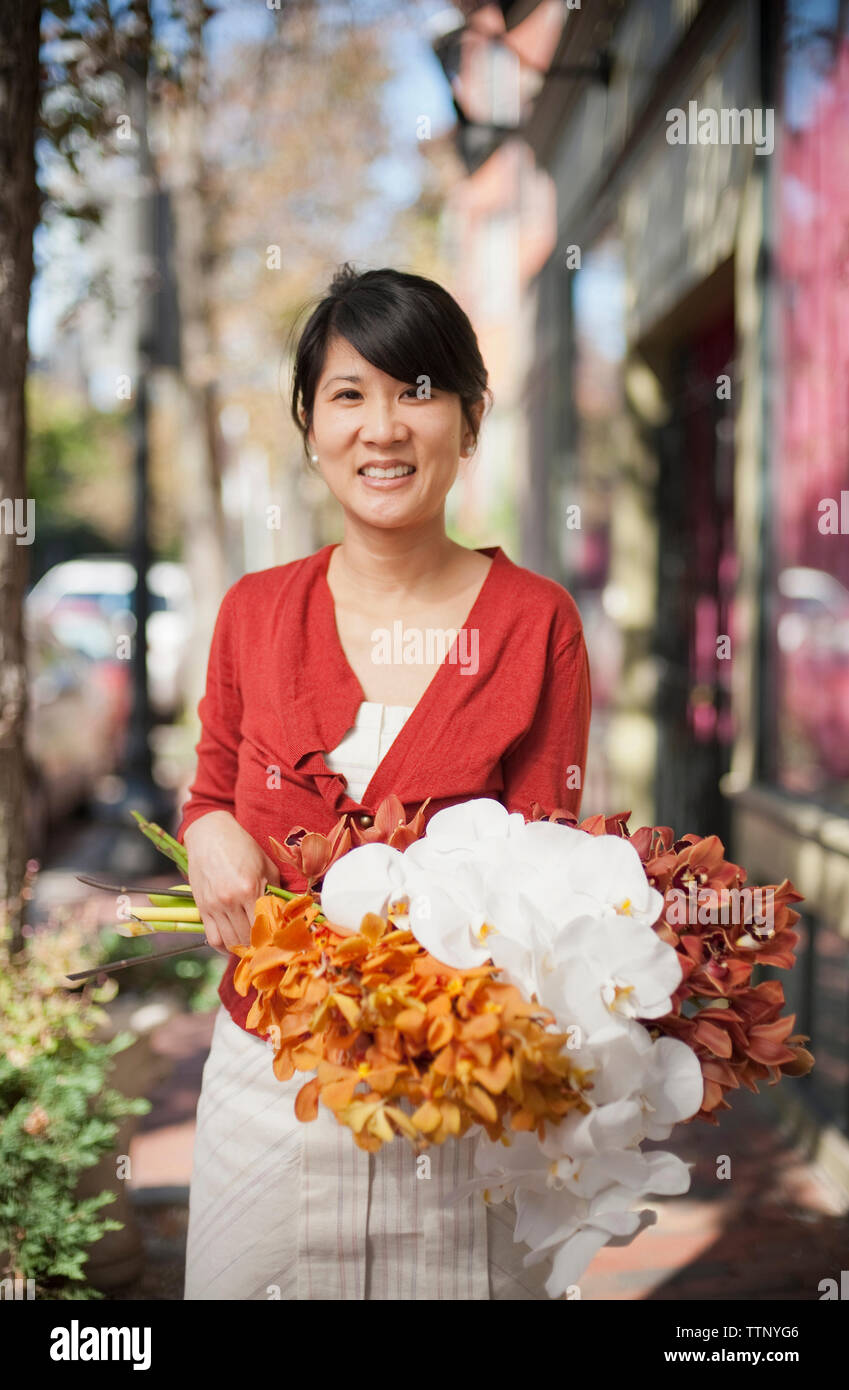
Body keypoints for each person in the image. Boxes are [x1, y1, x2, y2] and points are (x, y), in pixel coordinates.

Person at [178, 264, 592, 1300]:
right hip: (271, 1080)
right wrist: (208, 833)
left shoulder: (537, 625)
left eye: (418, 390)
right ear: (312, 427)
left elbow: (545, 875)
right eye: (348, 395)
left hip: (451, 1097)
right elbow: (210, 793)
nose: (384, 427)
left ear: (470, 416)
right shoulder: (253, 613)